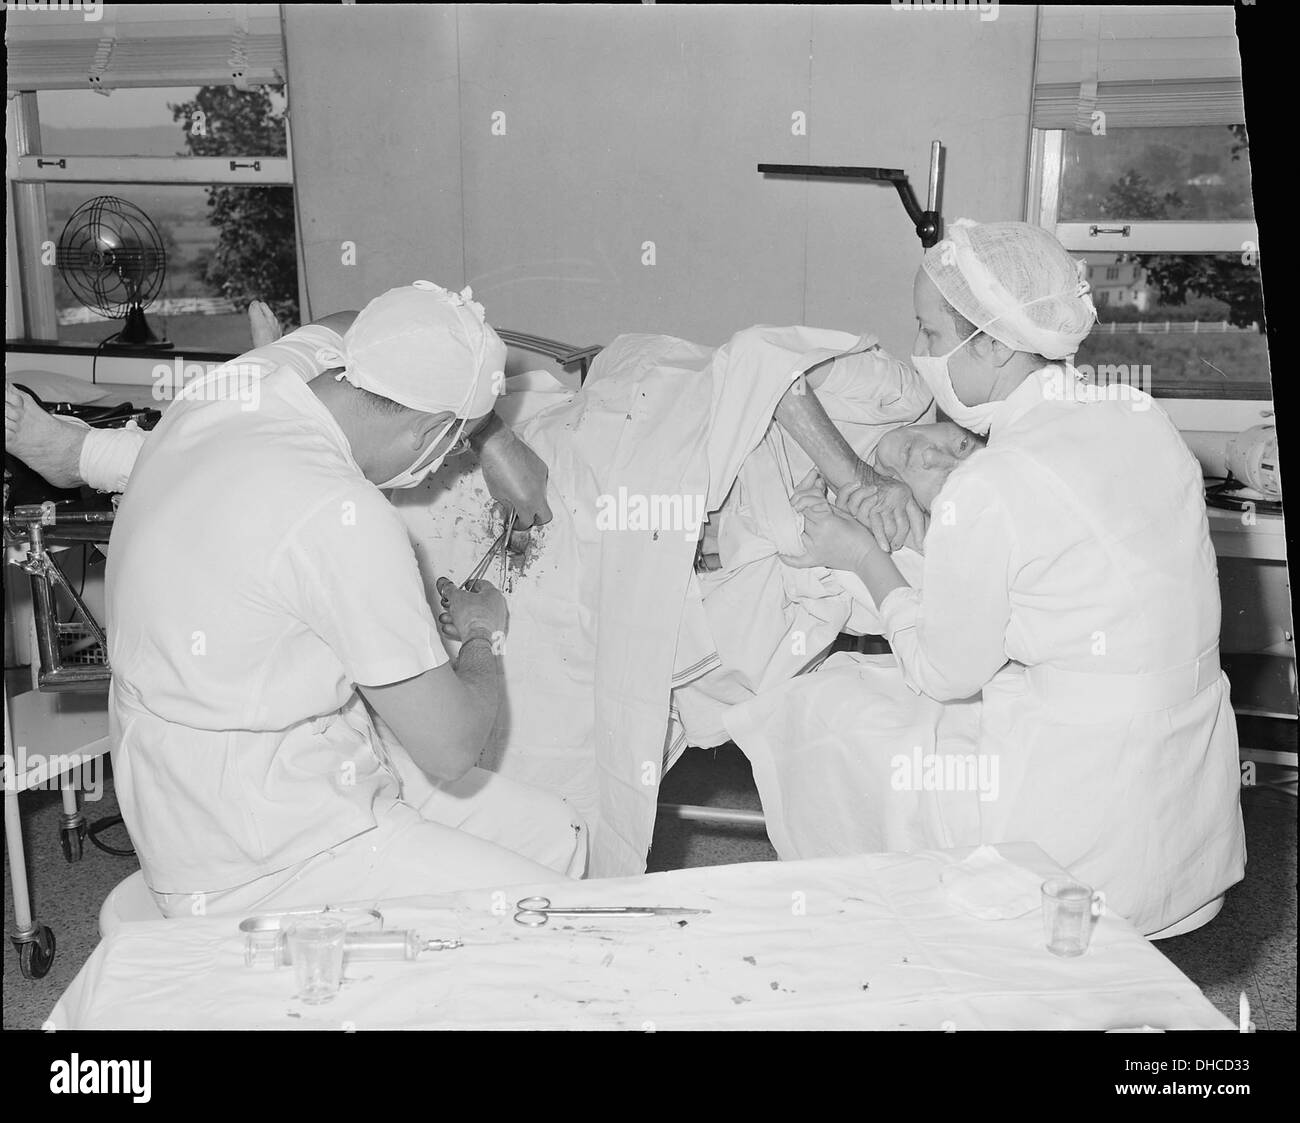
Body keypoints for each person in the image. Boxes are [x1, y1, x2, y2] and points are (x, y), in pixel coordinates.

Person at [730, 219, 1246, 938]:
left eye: (932, 336)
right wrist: (921, 545)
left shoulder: (997, 480)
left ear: (997, 344)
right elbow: (1065, 579)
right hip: (1185, 795)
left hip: (1078, 819)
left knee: (822, 707)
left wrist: (865, 560)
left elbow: (941, 671)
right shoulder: (1138, 418)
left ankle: (891, 940)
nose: (923, 356)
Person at [103, 282, 586, 917]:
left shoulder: (248, 381)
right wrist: (480, 635)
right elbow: (451, 746)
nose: (444, 467)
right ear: (427, 435)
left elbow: (355, 319)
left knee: (557, 832)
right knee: (544, 915)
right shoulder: (341, 513)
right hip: (258, 848)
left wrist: (489, 438)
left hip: (244, 768)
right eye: (450, 447)